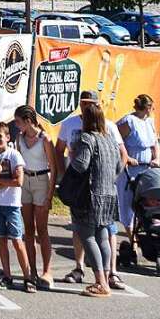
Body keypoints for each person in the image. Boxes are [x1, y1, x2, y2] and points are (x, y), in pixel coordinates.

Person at [55, 90, 127, 289]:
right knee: (103, 236)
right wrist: (111, 178)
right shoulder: (110, 139)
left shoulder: (87, 139)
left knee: (87, 236)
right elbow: (120, 164)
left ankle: (100, 282)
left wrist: (67, 182)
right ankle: (105, 277)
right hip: (108, 194)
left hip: (89, 195)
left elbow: (80, 165)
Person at [13, 105, 56, 289]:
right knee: (28, 229)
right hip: (26, 182)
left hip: (41, 181)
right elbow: (19, 162)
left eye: (18, 122)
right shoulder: (19, 138)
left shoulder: (44, 139)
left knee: (42, 229)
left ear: (28, 121)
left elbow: (54, 169)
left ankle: (47, 270)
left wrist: (50, 195)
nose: (16, 125)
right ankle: (32, 270)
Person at [0, 121, 33, 292]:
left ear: (7, 137)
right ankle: (7, 276)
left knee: (17, 241)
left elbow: (18, 181)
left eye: (0, 136)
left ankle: (28, 277)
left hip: (12, 205)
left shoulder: (14, 155)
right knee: (1, 240)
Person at [117, 94, 160, 241]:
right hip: (130, 171)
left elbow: (155, 142)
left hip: (146, 169)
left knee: (146, 204)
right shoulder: (128, 122)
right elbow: (117, 142)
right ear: (147, 107)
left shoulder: (149, 122)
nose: (153, 109)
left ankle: (144, 235)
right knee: (128, 205)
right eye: (151, 107)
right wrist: (127, 158)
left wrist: (156, 157)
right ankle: (132, 240)